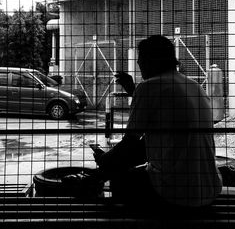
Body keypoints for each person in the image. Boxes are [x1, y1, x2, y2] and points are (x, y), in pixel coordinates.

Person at [92, 35, 222, 208]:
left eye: (140, 59)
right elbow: (163, 118)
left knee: (118, 178)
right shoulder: (194, 86)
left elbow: (130, 143)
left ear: (149, 61)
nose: (138, 63)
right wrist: (133, 90)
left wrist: (105, 160)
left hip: (175, 192)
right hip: (209, 188)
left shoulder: (149, 87)